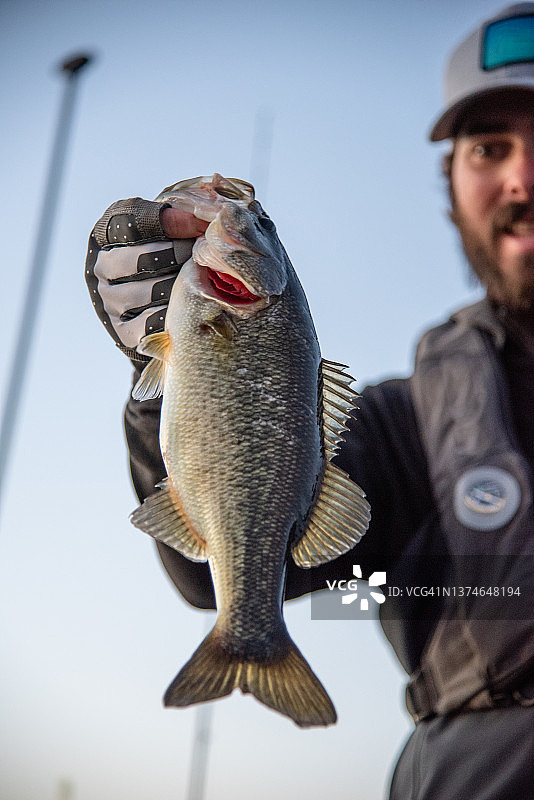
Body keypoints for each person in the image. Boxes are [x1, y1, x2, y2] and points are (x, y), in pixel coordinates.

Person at [85, 4, 534, 797]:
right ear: (452, 185)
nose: (523, 178)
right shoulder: (407, 427)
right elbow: (205, 577)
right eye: (489, 148)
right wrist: (161, 382)